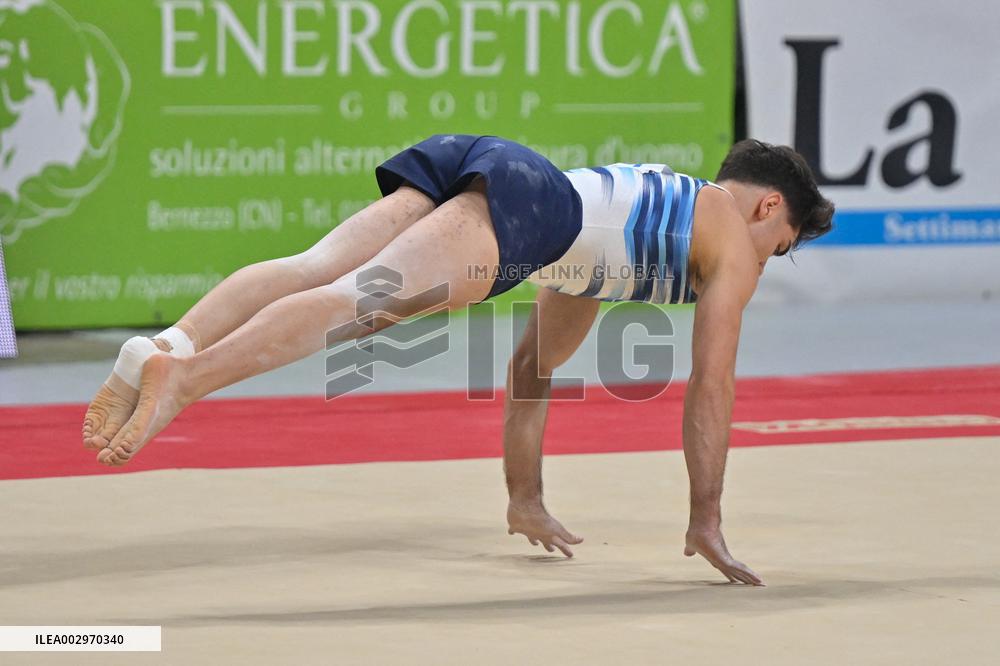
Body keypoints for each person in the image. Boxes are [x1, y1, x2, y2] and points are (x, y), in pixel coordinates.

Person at [82, 135, 834, 585]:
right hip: (529, 200)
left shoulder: (623, 239)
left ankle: (170, 344)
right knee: (357, 303)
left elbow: (531, 371)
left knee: (316, 269)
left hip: (499, 167)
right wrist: (706, 517)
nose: (764, 263)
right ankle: (184, 378)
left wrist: (524, 497)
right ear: (768, 208)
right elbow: (712, 383)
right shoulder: (730, 238)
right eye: (780, 248)